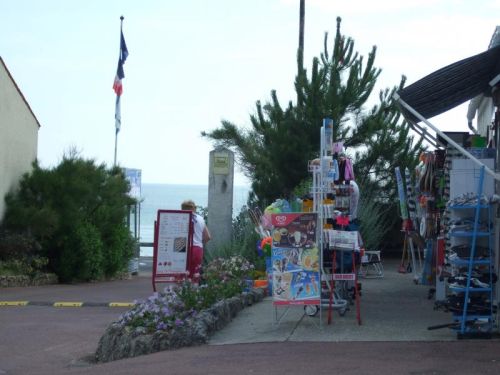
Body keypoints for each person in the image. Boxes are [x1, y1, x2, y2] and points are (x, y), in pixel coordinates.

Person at [181, 200, 211, 279]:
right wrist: (199, 242)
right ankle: (194, 290)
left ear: (183, 209)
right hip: (197, 249)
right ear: (194, 208)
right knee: (195, 276)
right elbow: (208, 237)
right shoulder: (201, 219)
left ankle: (180, 291)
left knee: (180, 275)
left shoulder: (180, 218)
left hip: (182, 247)